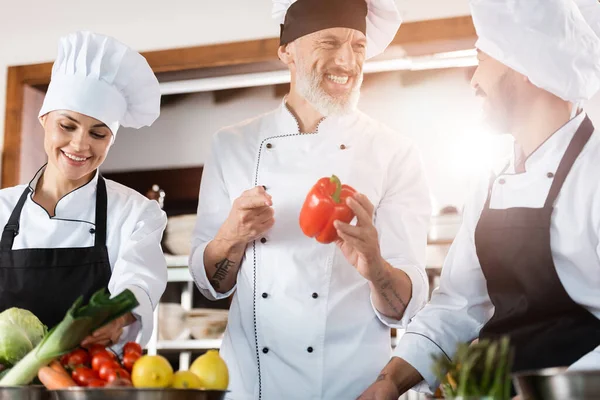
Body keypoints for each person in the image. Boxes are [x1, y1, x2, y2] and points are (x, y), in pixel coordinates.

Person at [188, 0, 432, 398]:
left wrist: (375, 267)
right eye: (330, 42)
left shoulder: (394, 151)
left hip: (348, 386)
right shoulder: (232, 145)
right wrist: (230, 238)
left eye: (358, 46)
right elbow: (210, 284)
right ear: (286, 50)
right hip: (252, 385)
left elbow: (404, 307)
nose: (347, 60)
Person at [358, 0, 600, 398]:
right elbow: (458, 306)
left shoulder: (594, 174)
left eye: (482, 59)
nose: (473, 80)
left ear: (527, 67)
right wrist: (389, 382)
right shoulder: (491, 180)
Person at [0, 31, 168, 349]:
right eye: (67, 126)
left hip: (90, 381)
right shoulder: (1, 208)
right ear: (45, 119)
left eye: (98, 133)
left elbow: (140, 279)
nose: (80, 144)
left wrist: (119, 316)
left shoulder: (135, 213)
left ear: (111, 139)